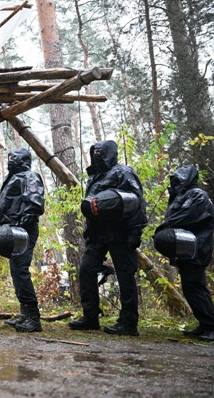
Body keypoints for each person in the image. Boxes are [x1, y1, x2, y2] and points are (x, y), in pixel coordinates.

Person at [69, 140, 147, 336]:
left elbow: (137, 203)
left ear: (110, 154)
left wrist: (135, 232)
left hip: (121, 233)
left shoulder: (124, 172)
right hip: (98, 235)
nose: (97, 157)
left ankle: (128, 322)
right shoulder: (94, 176)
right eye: (94, 153)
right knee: (86, 270)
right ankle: (90, 316)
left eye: (100, 153)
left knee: (125, 275)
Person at [154, 165, 214, 341]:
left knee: (195, 286)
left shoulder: (197, 195)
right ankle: (205, 324)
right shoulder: (182, 196)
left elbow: (187, 216)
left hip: (197, 248)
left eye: (178, 180)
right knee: (190, 286)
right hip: (186, 248)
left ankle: (210, 325)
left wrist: (164, 228)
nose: (175, 183)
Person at [0, 148, 45, 333]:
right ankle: (25, 313)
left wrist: (22, 223)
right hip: (14, 229)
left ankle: (33, 317)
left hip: (23, 229)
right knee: (16, 270)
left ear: (22, 160)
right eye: (9, 159)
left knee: (20, 269)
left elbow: (34, 202)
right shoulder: (14, 177)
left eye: (13, 159)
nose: (10, 161)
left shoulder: (29, 176)